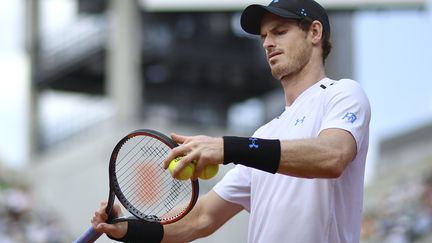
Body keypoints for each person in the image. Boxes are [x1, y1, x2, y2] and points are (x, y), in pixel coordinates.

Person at [90, 0, 371, 242]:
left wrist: (227, 148)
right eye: (263, 37)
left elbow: (333, 156)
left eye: (280, 32)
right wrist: (127, 228)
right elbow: (199, 219)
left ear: (315, 32)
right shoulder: (264, 134)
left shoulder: (342, 93)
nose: (268, 43)